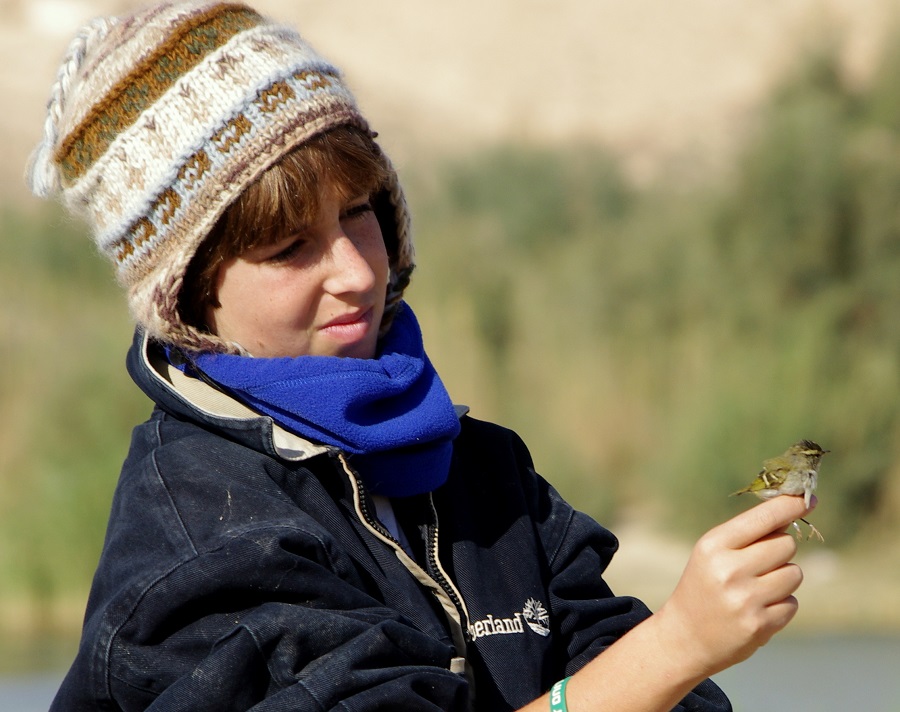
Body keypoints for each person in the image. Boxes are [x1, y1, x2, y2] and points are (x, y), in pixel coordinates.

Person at [28, 2, 814, 710]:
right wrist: (676, 643)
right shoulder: (202, 539)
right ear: (190, 296)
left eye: (359, 212)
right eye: (289, 247)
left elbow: (648, 682)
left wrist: (668, 663)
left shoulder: (481, 469)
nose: (358, 272)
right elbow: (640, 674)